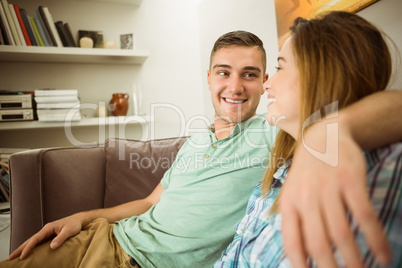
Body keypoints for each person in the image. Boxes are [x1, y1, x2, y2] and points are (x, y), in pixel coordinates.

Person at [1, 29, 401, 267]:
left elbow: (389, 105)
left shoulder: (277, 132)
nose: (236, 86)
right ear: (208, 77)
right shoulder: (196, 138)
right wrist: (84, 217)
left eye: (251, 74)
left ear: (263, 80)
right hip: (103, 239)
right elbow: (151, 201)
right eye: (224, 73)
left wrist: (330, 130)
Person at [213, 11, 402, 268]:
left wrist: (333, 128)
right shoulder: (283, 166)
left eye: (280, 67)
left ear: (321, 74)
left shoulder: (383, 166)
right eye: (223, 73)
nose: (268, 84)